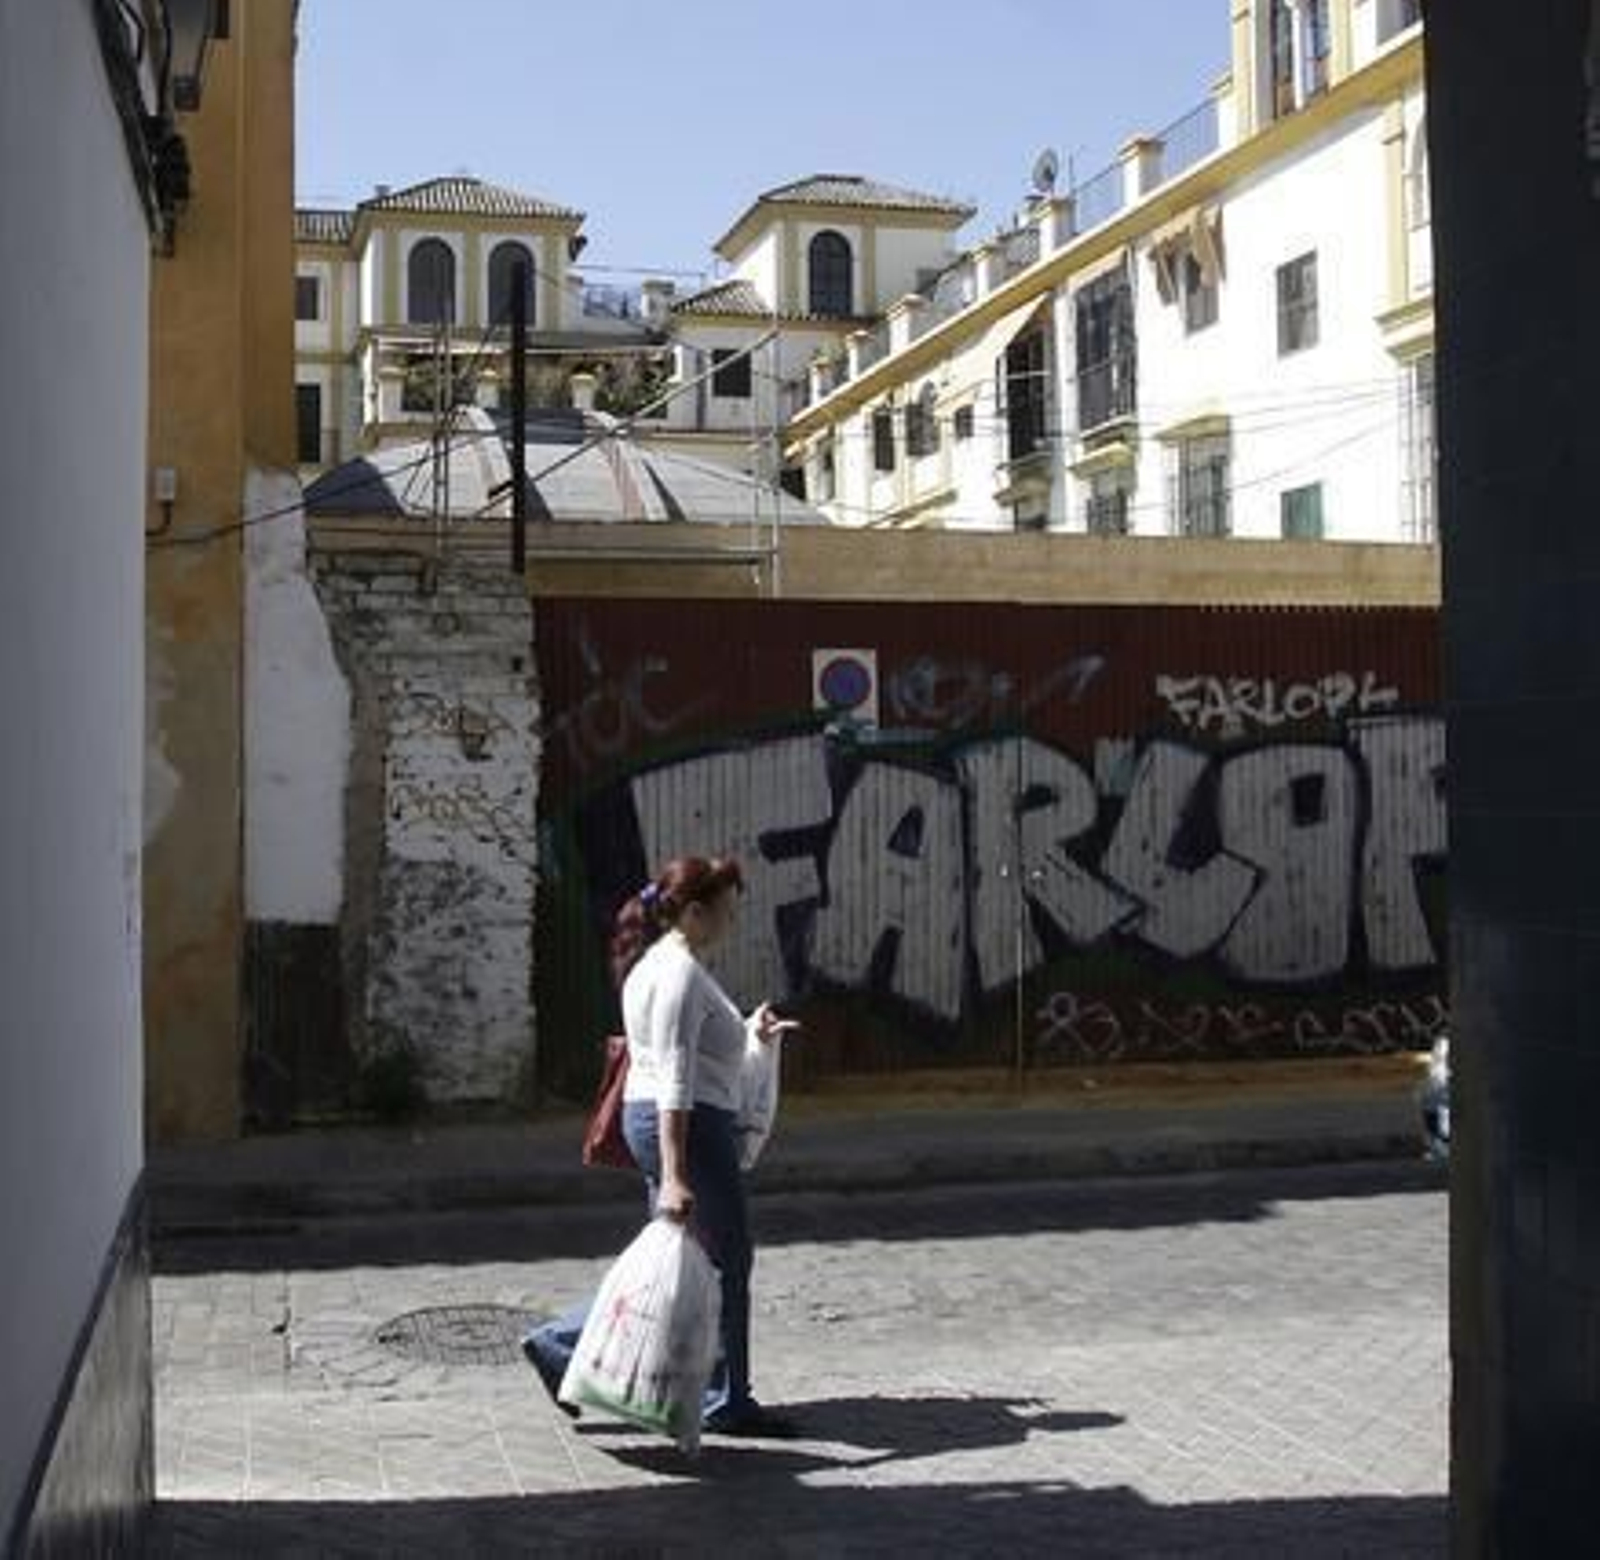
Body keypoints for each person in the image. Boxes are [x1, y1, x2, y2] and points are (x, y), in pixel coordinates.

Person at [524, 854, 800, 1438]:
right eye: (726, 911)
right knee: (728, 1258)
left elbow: (682, 1056)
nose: (732, 921)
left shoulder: (659, 965)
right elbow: (674, 1073)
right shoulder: (678, 974)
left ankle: (574, 1349)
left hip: (666, 1121)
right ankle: (726, 1397)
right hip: (689, 1128)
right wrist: (675, 1173)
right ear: (695, 912)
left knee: (682, 1264)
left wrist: (752, 1034)